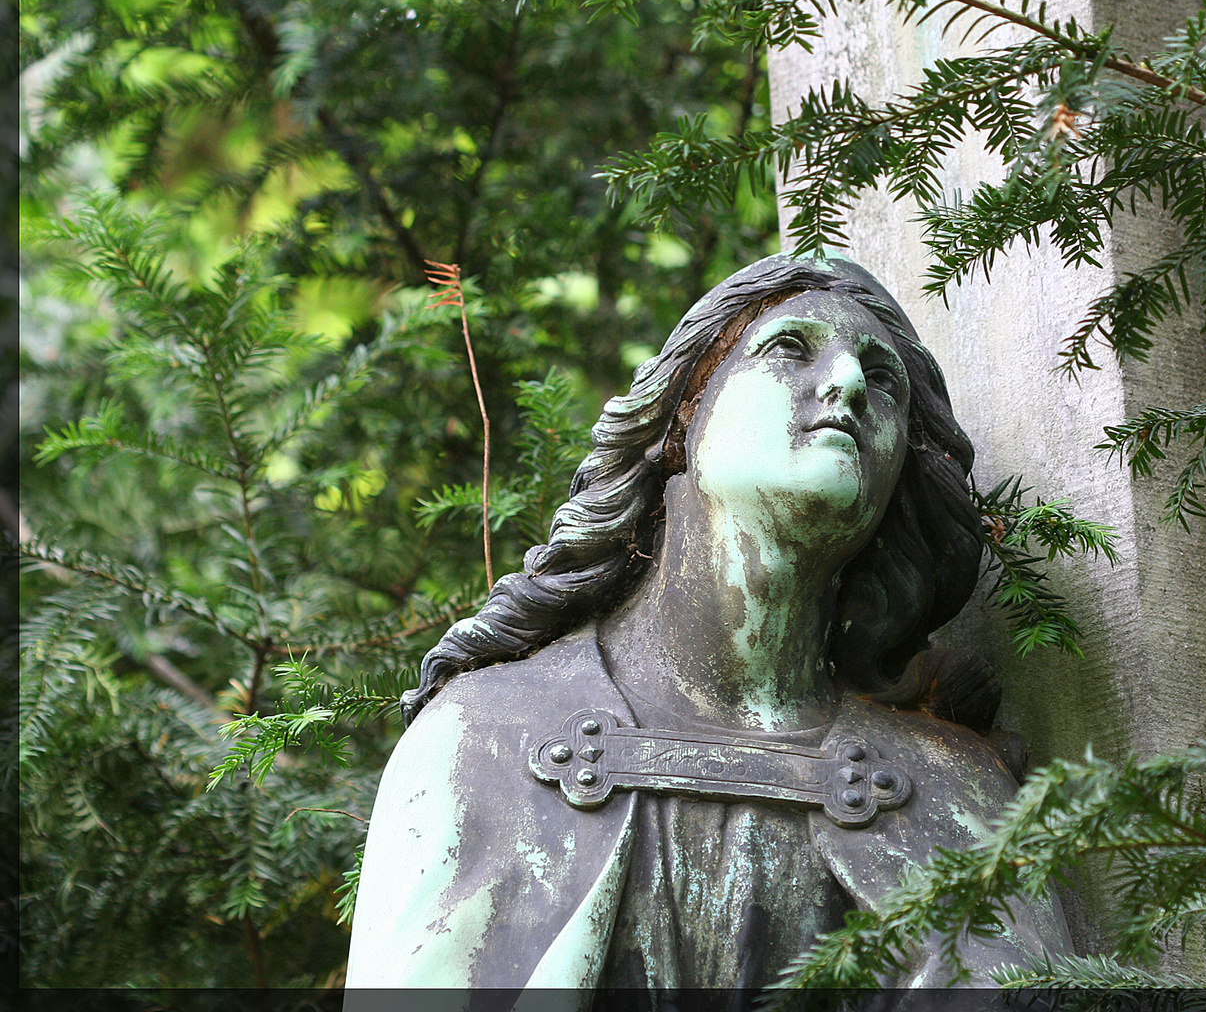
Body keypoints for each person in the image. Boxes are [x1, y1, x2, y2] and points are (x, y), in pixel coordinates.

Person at [344, 255, 1072, 997]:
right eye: (790, 348)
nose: (850, 382)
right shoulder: (488, 738)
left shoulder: (953, 791)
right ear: (684, 416)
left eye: (885, 381)